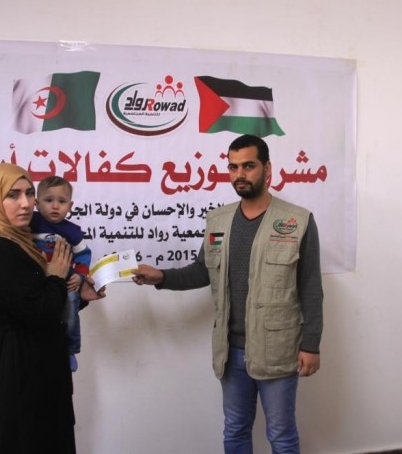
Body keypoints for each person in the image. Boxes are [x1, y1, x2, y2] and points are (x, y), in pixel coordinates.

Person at [133, 134, 324, 454]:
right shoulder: (218, 221)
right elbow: (203, 270)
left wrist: (311, 344)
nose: (240, 174)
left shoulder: (297, 221)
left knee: (281, 435)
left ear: (267, 169)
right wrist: (161, 277)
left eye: (248, 166)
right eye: (233, 167)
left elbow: (310, 287)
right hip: (231, 351)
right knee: (235, 430)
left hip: (277, 349)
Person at [0, 163, 104, 454]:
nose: (26, 203)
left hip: (41, 369)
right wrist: (56, 276)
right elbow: (40, 311)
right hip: (21, 374)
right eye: (13, 195)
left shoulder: (22, 243)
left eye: (29, 193)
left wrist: (79, 295)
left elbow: (40, 303)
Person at [30, 176, 91, 372]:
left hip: (64, 280)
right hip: (36, 280)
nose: (55, 206)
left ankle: (70, 349)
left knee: (71, 304)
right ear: (36, 203)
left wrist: (79, 276)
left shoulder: (72, 231)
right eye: (49, 200)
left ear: (70, 205)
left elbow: (83, 256)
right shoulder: (29, 221)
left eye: (62, 201)